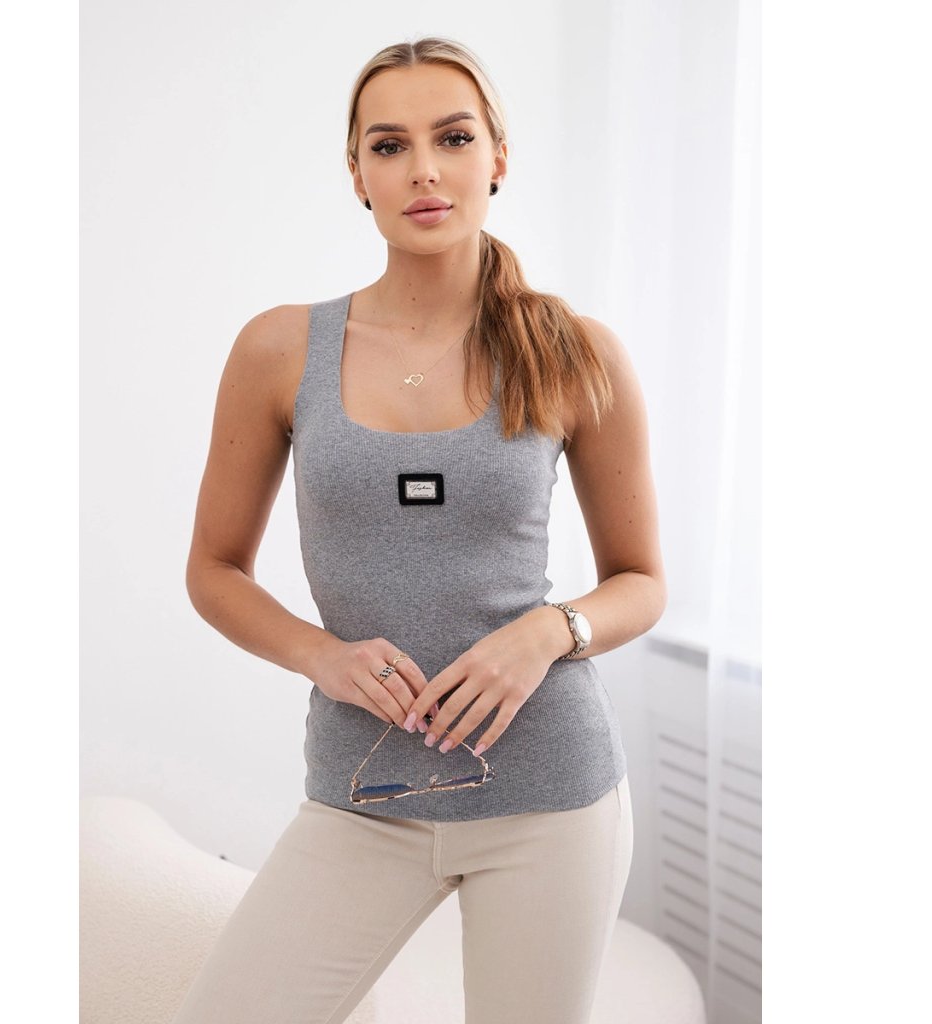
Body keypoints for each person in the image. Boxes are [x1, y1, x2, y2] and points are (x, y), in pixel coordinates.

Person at [171, 35, 666, 1024]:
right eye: (390, 146)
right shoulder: (280, 349)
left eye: (454, 137)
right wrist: (322, 656)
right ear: (357, 173)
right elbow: (214, 568)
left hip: (550, 794)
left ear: (498, 156)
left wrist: (546, 632)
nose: (424, 170)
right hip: (365, 794)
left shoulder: (575, 352)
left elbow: (641, 579)